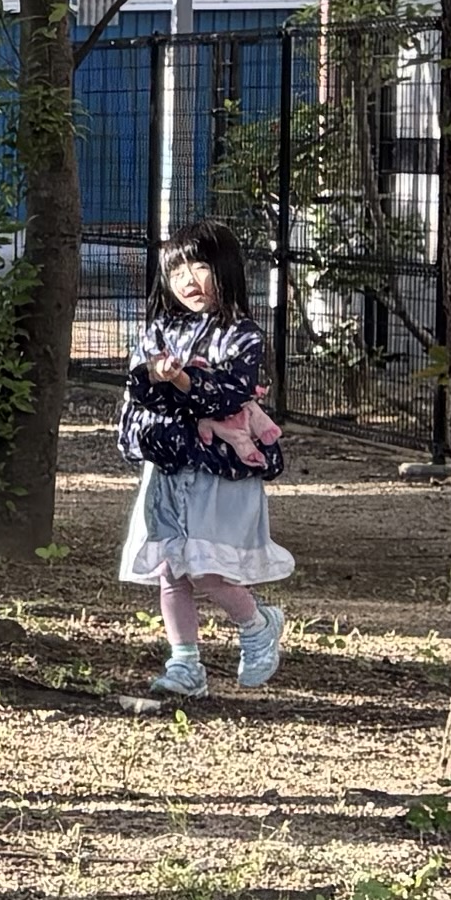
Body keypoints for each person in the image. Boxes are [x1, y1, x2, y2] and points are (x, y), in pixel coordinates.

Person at [119, 220, 294, 695]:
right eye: (177, 271)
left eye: (199, 267)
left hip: (220, 474)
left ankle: (257, 625)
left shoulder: (243, 335)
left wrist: (179, 382)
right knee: (170, 571)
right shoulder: (159, 330)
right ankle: (184, 665)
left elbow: (227, 394)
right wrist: (157, 385)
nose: (188, 280)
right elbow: (139, 392)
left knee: (209, 571)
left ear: (226, 269)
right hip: (168, 468)